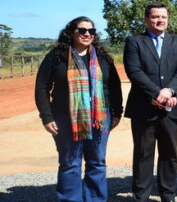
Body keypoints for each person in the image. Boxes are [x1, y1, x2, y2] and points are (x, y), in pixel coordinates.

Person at [34, 16, 123, 202]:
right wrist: (46, 116)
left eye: (91, 31)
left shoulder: (103, 57)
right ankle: (70, 199)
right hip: (65, 118)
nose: (87, 34)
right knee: (69, 163)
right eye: (82, 30)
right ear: (72, 32)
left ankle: (96, 199)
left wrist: (117, 112)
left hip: (100, 116)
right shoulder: (57, 56)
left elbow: (114, 86)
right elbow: (42, 86)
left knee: (97, 162)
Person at [123, 3, 177, 202]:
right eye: (155, 17)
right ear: (146, 19)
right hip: (144, 108)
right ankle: (141, 195)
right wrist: (156, 93)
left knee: (170, 153)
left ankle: (167, 194)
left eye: (163, 17)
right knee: (144, 154)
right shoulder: (135, 42)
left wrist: (169, 91)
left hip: (171, 107)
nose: (160, 20)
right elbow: (134, 71)